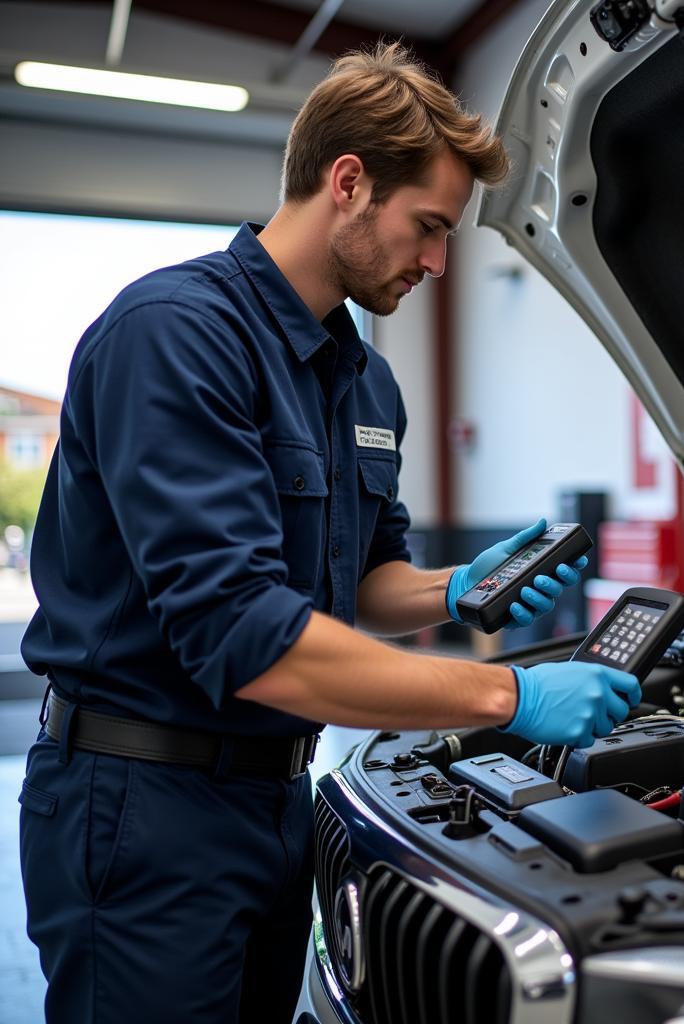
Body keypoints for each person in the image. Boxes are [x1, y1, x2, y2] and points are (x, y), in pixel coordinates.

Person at [18, 42, 641, 1024]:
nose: (438, 262)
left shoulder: (364, 376)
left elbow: (358, 581)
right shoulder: (175, 335)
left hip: (279, 799)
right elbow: (246, 635)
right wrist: (506, 692)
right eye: (427, 227)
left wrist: (451, 587)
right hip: (142, 799)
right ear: (347, 183)